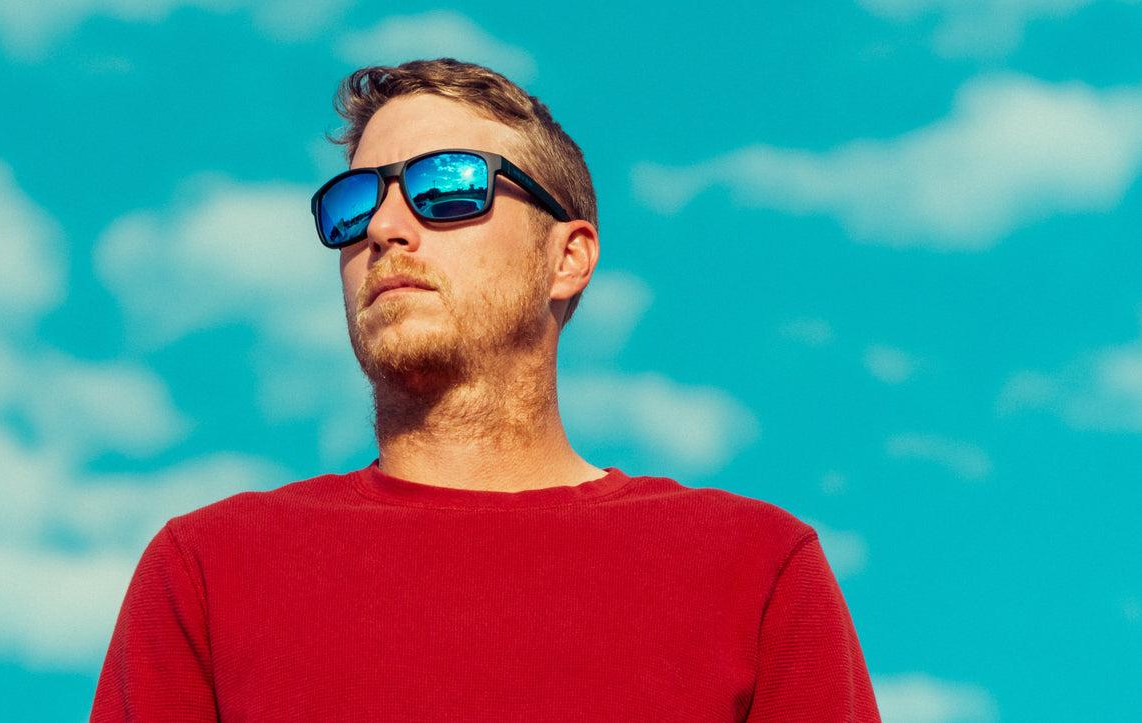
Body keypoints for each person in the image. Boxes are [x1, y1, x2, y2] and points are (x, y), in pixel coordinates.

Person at [91, 58, 880, 722]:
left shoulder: (754, 570)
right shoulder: (207, 571)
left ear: (566, 256)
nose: (385, 226)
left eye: (447, 186)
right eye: (354, 201)